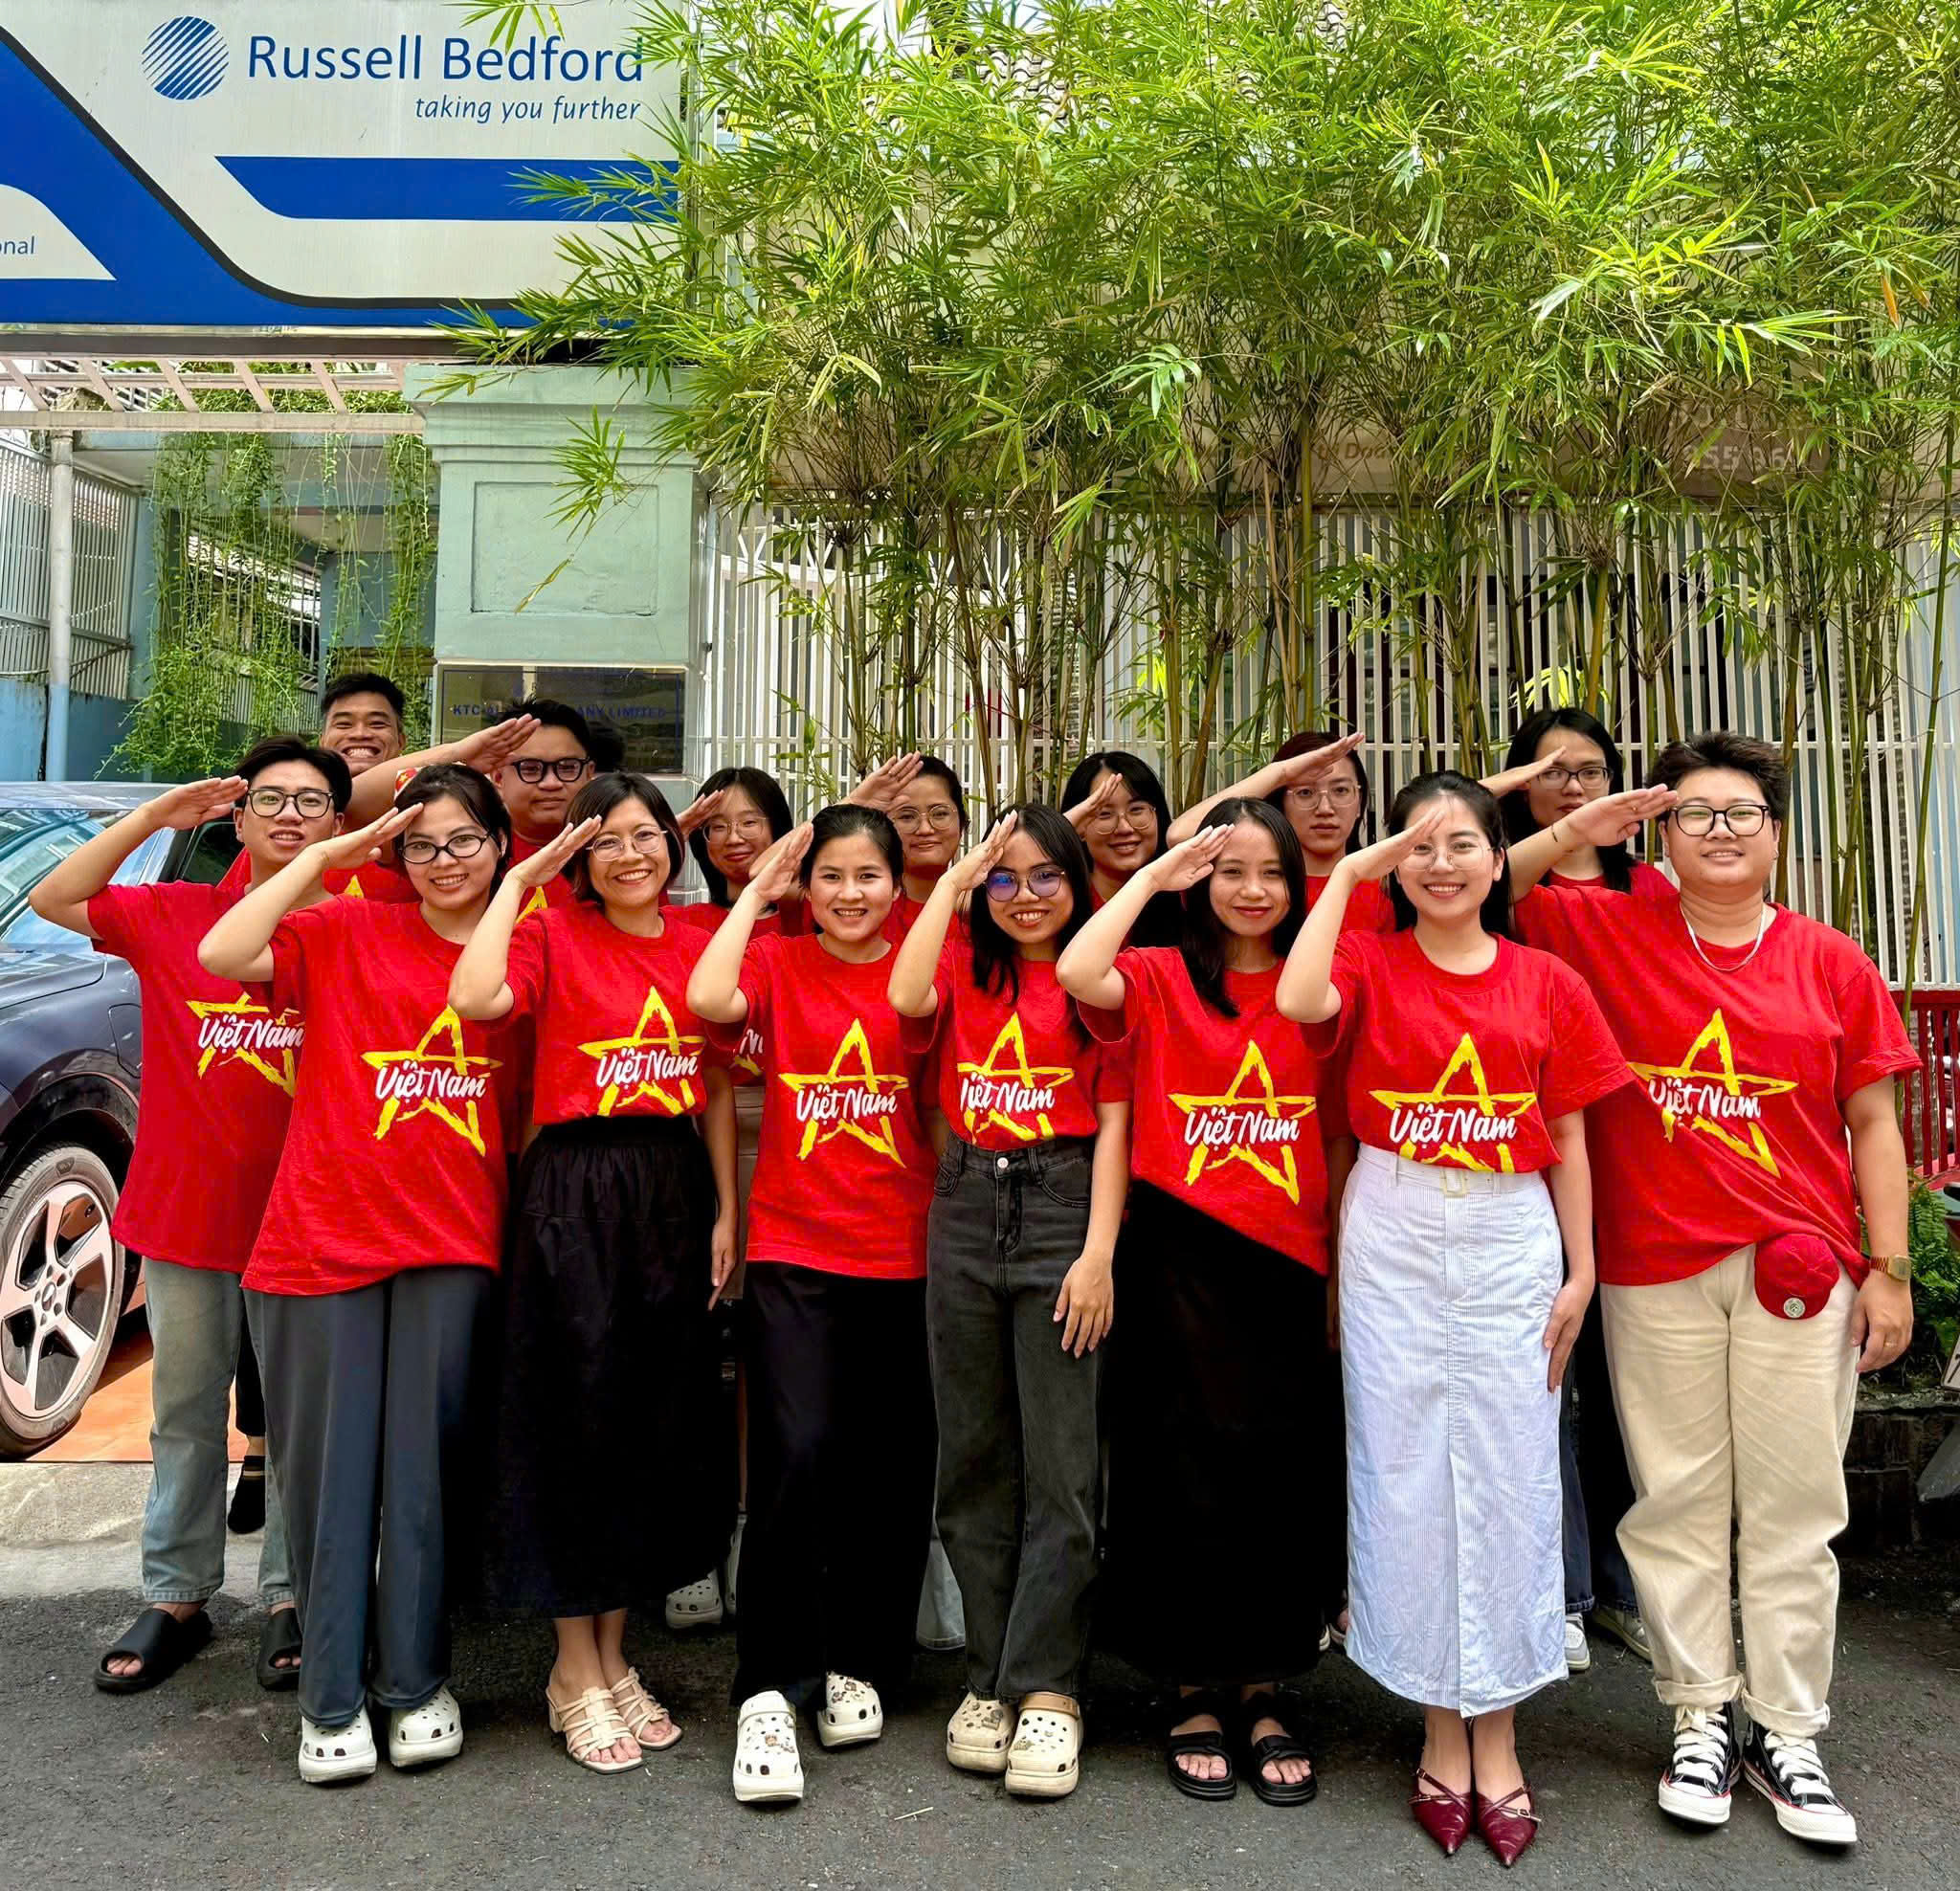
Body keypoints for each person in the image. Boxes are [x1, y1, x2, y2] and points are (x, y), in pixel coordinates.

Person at [1507, 732, 1918, 1850]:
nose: (1719, 830)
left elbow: (1872, 1121)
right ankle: (1697, 1712)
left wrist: (1888, 1270)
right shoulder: (1605, 927)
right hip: (1654, 1266)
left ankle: (1785, 1726)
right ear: (1662, 831)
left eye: (1741, 812)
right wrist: (1577, 826)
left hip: (1799, 1268)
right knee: (1676, 1499)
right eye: (1693, 812)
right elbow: (1489, 884)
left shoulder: (1829, 959)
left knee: (1792, 1505)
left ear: (1775, 832)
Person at [1275, 770, 1629, 1865]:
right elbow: (1296, 1000)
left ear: (1494, 857)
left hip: (1508, 1228)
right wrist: (1354, 868)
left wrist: (1580, 1269)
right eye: (1417, 846)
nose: (1440, 864)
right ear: (1393, 863)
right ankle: (1437, 1724)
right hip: (1389, 1220)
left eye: (1461, 843)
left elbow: (1567, 1135)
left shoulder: (1545, 980)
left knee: (1511, 1467)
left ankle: (1500, 1735)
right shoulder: (1365, 959)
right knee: (1404, 1469)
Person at [199, 766, 523, 1786]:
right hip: (319, 1240)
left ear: (500, 844)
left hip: (453, 1241)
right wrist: (328, 859)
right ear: (394, 851)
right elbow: (223, 951)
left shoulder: (528, 945)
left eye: (464, 839)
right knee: (327, 1487)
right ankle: (330, 1699)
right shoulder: (345, 926)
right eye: (421, 844)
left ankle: (415, 1682)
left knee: (425, 1480)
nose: (443, 861)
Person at [31, 740, 347, 1696]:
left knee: (300, 1423)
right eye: (269, 798)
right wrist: (152, 817)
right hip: (188, 1214)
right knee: (183, 1411)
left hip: (311, 1219)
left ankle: (292, 1592)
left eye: (312, 801)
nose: (289, 814)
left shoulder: (361, 926)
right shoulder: (174, 914)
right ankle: (176, 1593)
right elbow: (54, 898)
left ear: (339, 825)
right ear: (237, 819)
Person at [449, 774, 738, 1774]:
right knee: (572, 1422)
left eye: (646, 835)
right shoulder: (549, 932)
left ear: (672, 844)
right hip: (574, 1189)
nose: (629, 855)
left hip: (671, 1186)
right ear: (577, 855)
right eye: (605, 840)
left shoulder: (701, 936)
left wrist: (727, 1209)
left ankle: (613, 1656)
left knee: (643, 1426)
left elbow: (711, 1083)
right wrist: (517, 881)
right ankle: (570, 1666)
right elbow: (475, 998)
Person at [1058, 800, 1334, 1810]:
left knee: (1275, 1475)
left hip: (1288, 1258)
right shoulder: (1159, 975)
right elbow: (1077, 969)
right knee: (1176, 1473)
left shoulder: (1318, 982)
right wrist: (1153, 876)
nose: (1252, 890)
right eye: (1231, 871)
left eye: (1271, 872)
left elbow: (1340, 1128)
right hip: (1174, 1249)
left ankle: (1261, 1686)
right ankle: (1187, 1689)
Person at [686, 808, 937, 1809]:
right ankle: (769, 1684)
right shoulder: (778, 961)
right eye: (829, 874)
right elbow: (708, 998)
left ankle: (861, 1661)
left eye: (867, 874)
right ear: (806, 885)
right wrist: (759, 888)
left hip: (907, 1246)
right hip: (795, 1245)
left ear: (896, 884)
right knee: (794, 1457)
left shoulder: (926, 966)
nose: (848, 892)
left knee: (888, 1464)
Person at [887, 804, 1129, 1799]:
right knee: (974, 1458)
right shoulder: (958, 960)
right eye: (1004, 877)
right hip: (964, 1202)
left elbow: (1115, 1117)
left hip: (1062, 1203)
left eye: (1044, 876)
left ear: (1076, 883)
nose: (1024, 895)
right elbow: (904, 993)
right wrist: (954, 879)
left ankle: (1049, 1686)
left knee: (1061, 1466)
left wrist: (1098, 1253)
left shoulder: (1095, 978)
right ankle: (987, 1676)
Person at [1498, 706, 1663, 1675]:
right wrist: (1560, 826)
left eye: (1589, 769)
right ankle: (1562, 1586)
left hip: (1644, 1150)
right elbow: (1491, 872)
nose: (1571, 784)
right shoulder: (1504, 879)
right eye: (1549, 769)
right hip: (1542, 1150)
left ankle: (1624, 1584)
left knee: (1630, 1385)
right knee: (1551, 1376)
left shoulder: (1654, 888)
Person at [667, 764, 804, 1630]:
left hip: (800, 1152)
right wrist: (668, 830)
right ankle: (691, 1541)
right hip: (700, 1153)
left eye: (752, 821)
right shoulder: (683, 926)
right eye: (714, 826)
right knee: (692, 1360)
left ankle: (755, 1532)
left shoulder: (817, 921)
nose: (733, 839)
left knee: (771, 1362)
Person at [1167, 731, 1392, 930]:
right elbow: (1179, 835)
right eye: (1305, 792)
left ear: (1360, 802)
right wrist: (1281, 773)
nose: (1325, 809)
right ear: (1280, 803)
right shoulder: (1254, 887)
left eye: (1341, 790)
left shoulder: (1388, 885)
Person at [1500, 707, 1674, 898]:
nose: (1574, 788)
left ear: (1610, 782)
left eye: (1591, 772)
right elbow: (1498, 888)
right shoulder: (1491, 880)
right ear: (1522, 784)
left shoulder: (1649, 887)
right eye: (1553, 773)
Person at [1058, 751, 1183, 946]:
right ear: (1079, 825)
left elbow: (1180, 832)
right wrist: (1064, 831)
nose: (1124, 828)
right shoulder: (1059, 900)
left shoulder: (1183, 893)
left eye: (1137, 809)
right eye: (1104, 814)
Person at [884, 756, 968, 939]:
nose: (925, 829)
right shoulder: (865, 911)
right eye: (907, 816)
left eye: (939, 814)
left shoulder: (989, 911)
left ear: (962, 822)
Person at [319, 671, 406, 779]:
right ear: (322, 742)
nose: (360, 734)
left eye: (377, 723)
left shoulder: (421, 788)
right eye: (344, 724)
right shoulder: (302, 786)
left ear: (400, 742)